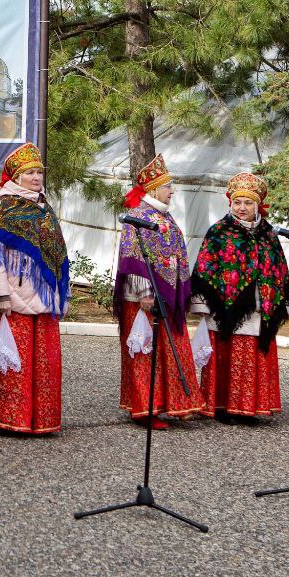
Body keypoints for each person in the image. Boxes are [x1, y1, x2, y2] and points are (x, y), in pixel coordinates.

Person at [191, 172, 289, 422]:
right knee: (228, 357)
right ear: (230, 203)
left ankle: (250, 407)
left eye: (248, 203)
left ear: (258, 205)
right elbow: (204, 268)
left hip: (259, 309)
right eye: (237, 202)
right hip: (225, 311)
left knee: (251, 358)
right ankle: (222, 406)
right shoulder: (219, 231)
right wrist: (203, 306)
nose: (242, 208)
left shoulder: (269, 234)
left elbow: (278, 269)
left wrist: (277, 301)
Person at [0, 142, 70, 434]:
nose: (36, 177)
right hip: (15, 298)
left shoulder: (46, 210)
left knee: (45, 363)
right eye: (30, 172)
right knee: (14, 361)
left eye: (39, 172)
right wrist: (2, 294)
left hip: (45, 297)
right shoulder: (3, 210)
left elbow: (58, 256)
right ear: (16, 177)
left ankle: (43, 420)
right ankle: (12, 419)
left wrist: (61, 293)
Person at [114, 154, 203, 428]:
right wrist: (143, 292)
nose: (172, 191)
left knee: (173, 348)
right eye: (167, 186)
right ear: (153, 188)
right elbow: (131, 255)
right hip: (144, 298)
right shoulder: (137, 217)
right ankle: (145, 408)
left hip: (168, 295)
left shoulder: (165, 216)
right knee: (145, 353)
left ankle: (178, 403)